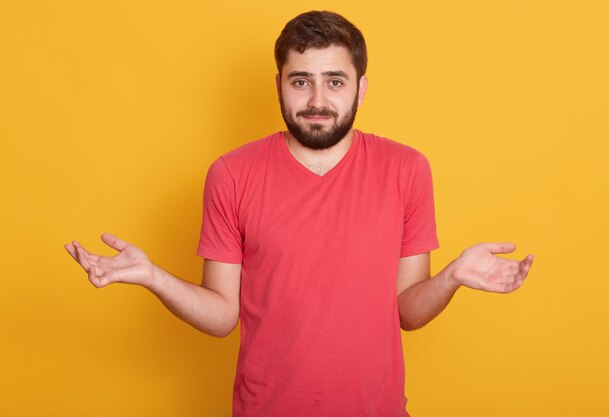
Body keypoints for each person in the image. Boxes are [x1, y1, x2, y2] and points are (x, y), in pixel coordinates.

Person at [65, 10, 534, 417]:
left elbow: (407, 311)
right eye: (300, 81)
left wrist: (451, 277)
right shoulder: (232, 174)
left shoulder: (406, 169)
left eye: (335, 81)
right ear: (279, 85)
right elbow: (223, 314)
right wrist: (153, 277)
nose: (317, 101)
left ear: (361, 87)